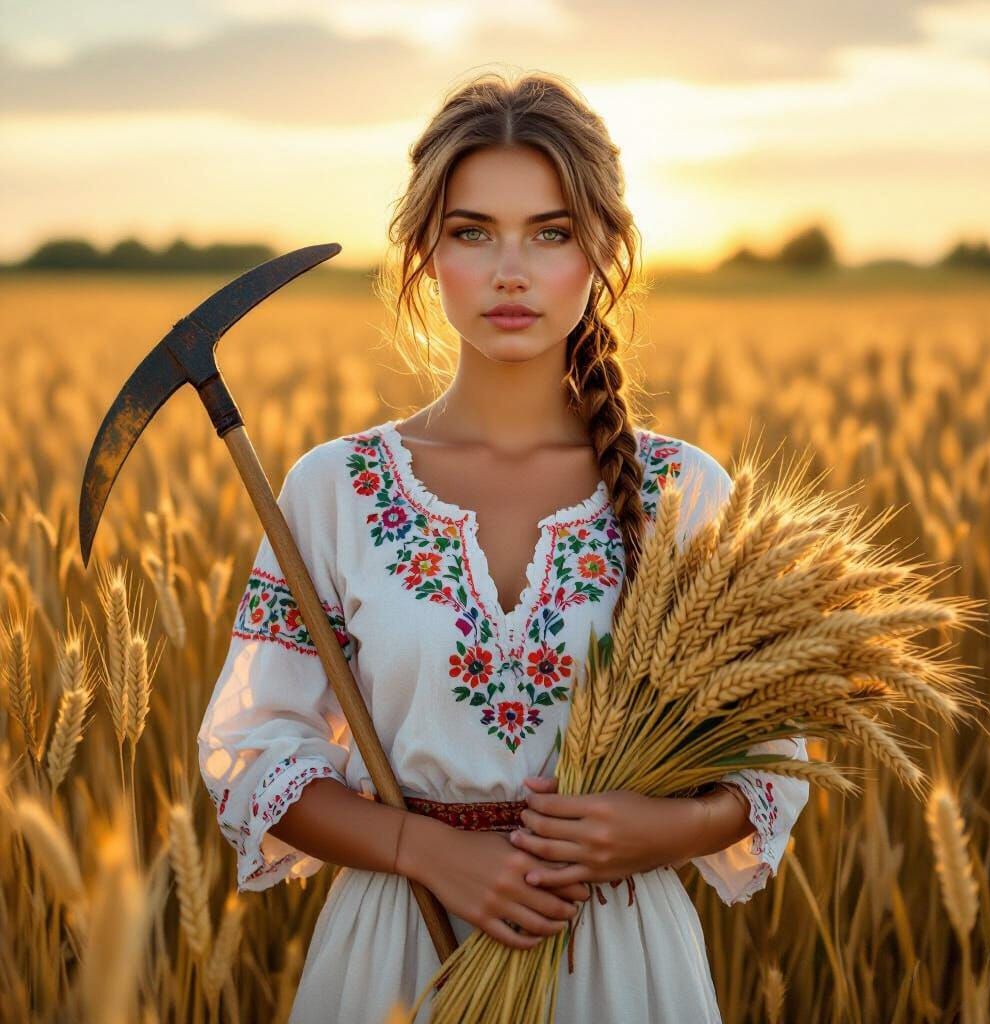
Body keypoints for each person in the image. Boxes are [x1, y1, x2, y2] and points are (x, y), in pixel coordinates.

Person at [197, 69, 810, 1023]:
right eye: (471, 232)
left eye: (552, 233)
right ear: (423, 254)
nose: (510, 270)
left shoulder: (686, 493)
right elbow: (253, 745)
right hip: (397, 953)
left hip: (618, 956)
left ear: (605, 253)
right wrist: (421, 849)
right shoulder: (334, 490)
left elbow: (772, 753)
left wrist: (661, 830)